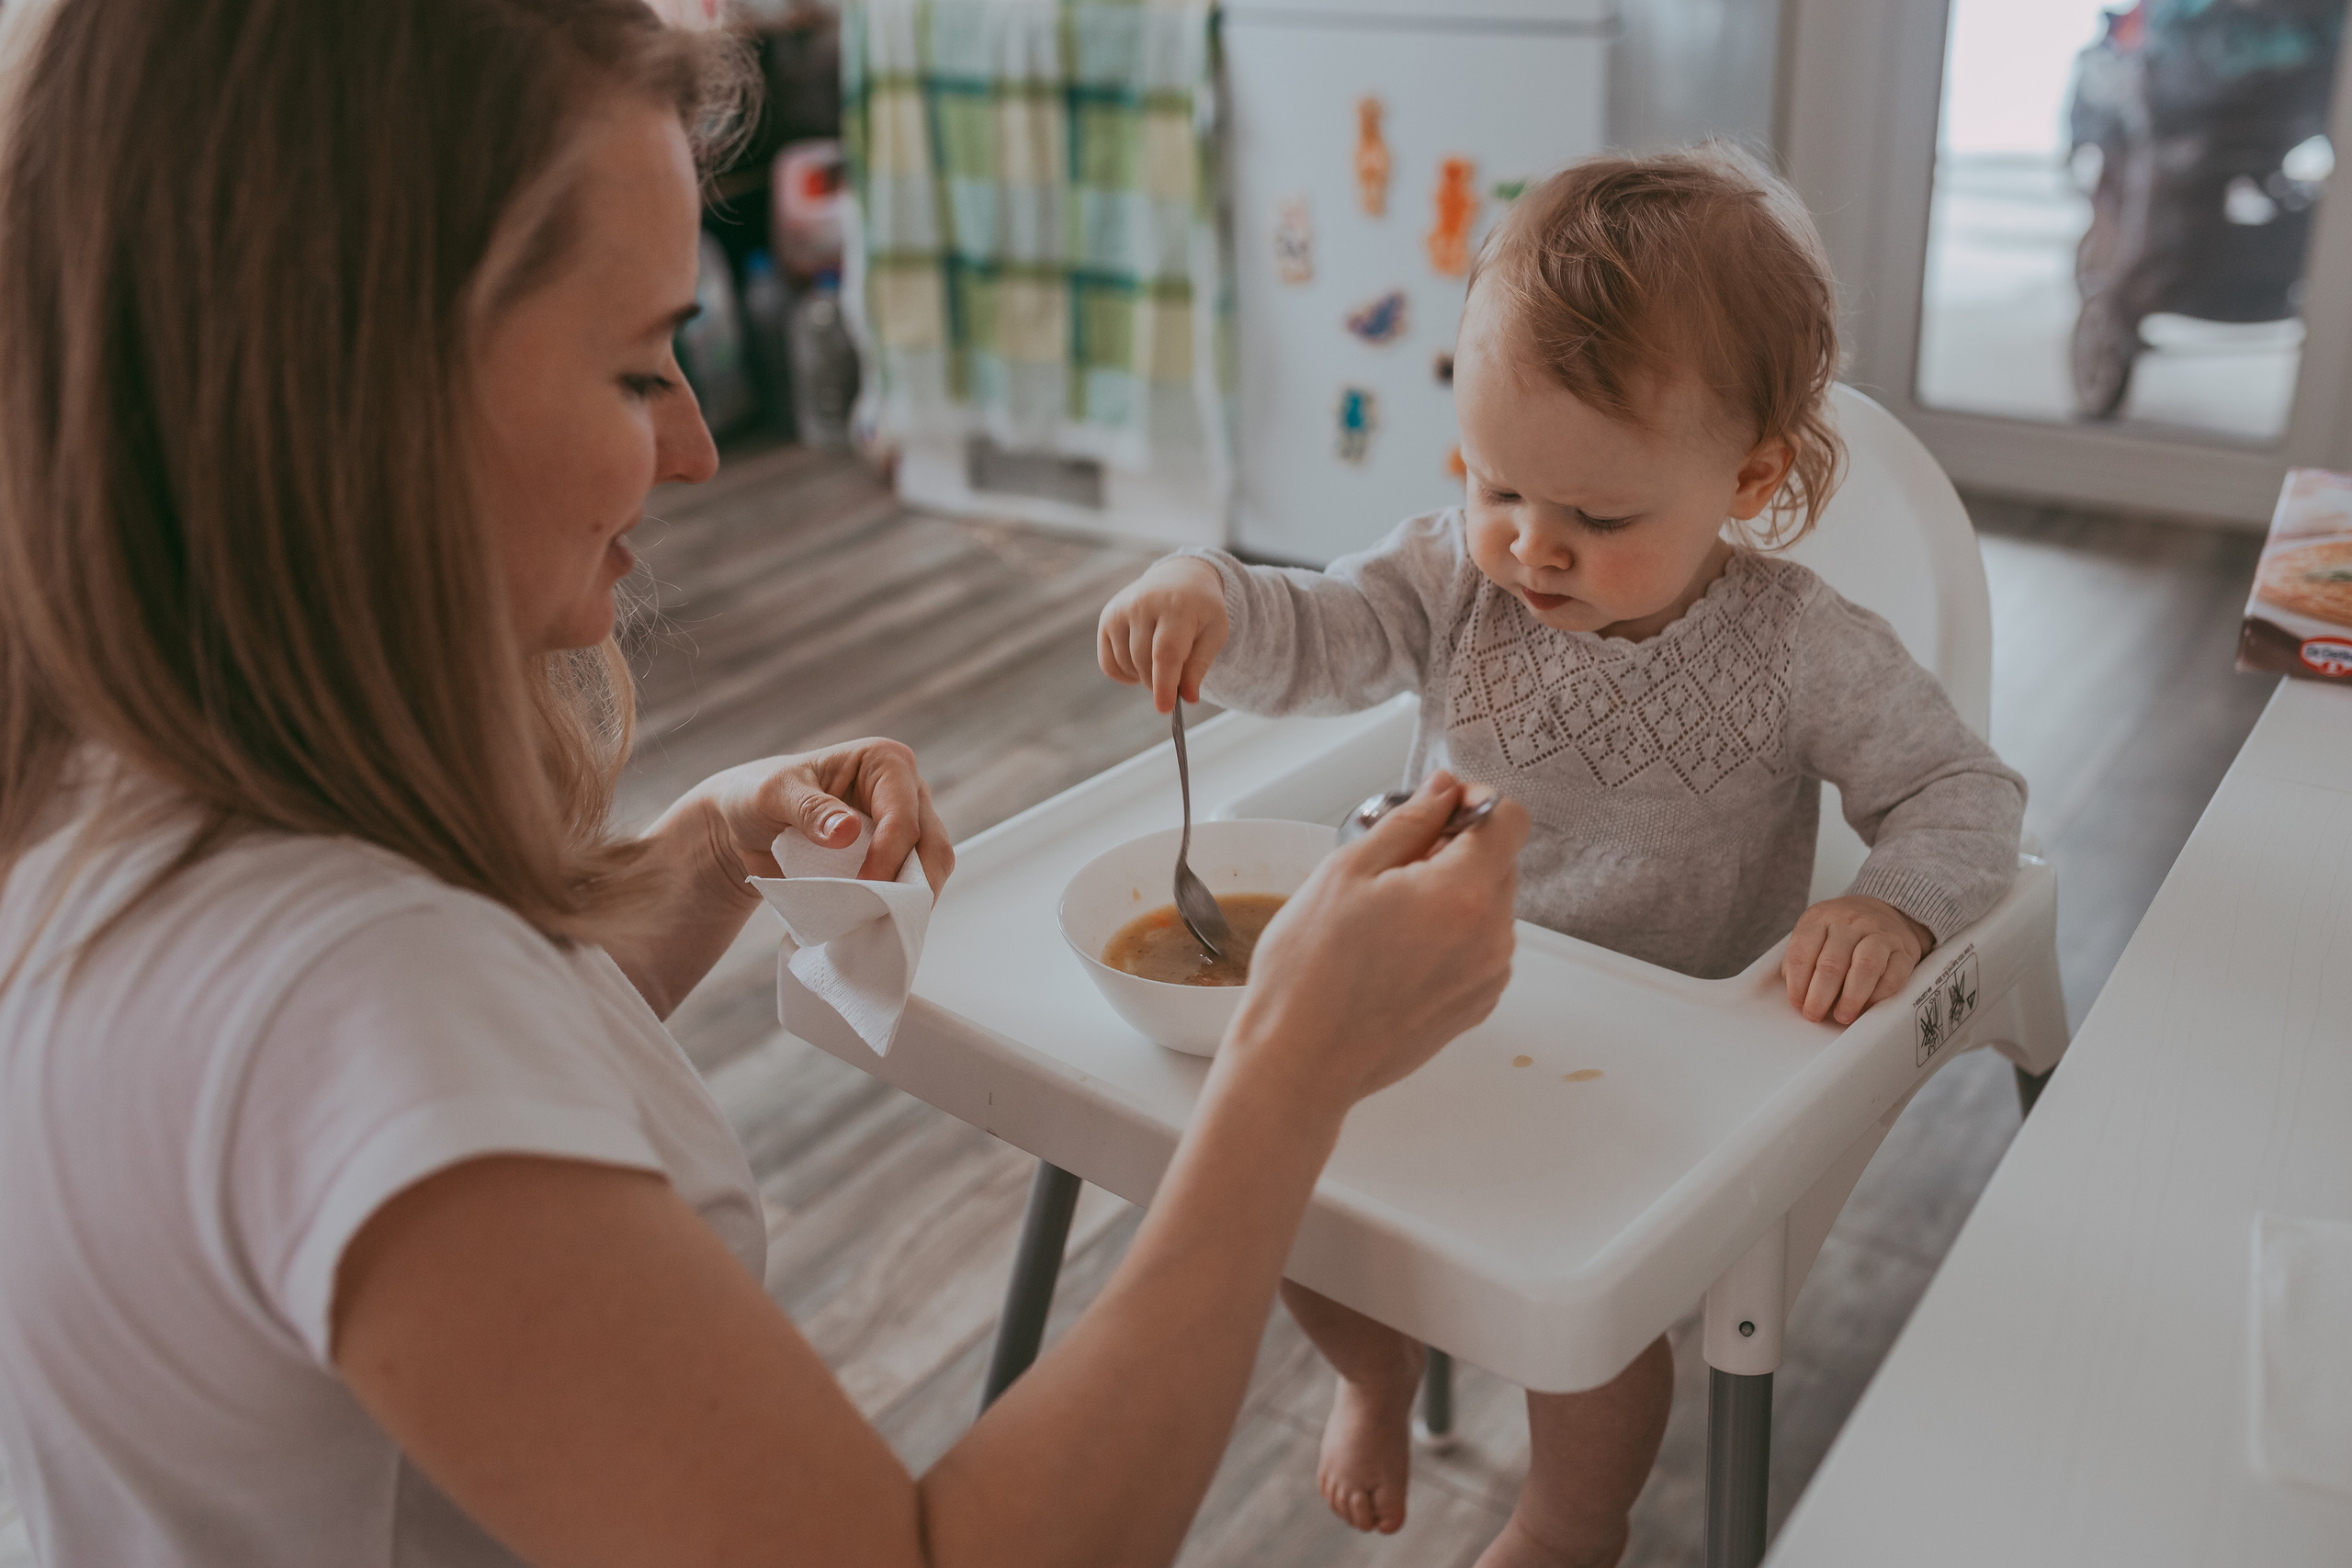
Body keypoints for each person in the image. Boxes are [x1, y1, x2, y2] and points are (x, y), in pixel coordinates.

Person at [0, 3, 1530, 1566]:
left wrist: (712, 847)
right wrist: (1288, 1067)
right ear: (356, 404)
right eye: (632, 369)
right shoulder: (349, 1000)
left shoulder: (125, 792)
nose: (698, 449)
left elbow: (463, 1074)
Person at [1098, 145, 2028, 1568]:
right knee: (1284, 1212)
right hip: (1425, 1004)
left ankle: (1572, 1517)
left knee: (1579, 1337)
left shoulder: (1802, 649)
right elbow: (1333, 628)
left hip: (1650, 1072)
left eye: (1598, 519)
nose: (1531, 548)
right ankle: (1376, 1372)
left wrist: (1893, 904)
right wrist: (1211, 598)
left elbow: (1965, 791)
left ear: (1749, 478)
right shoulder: (1458, 577)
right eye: (1496, 486)